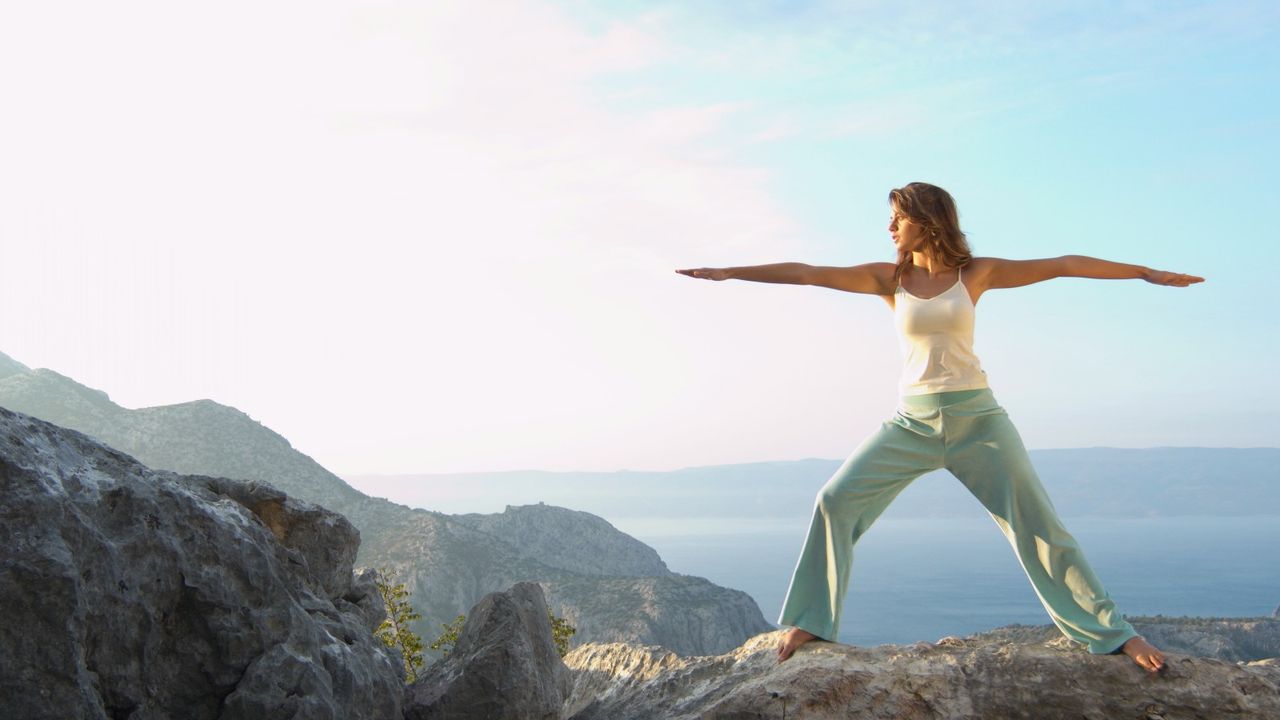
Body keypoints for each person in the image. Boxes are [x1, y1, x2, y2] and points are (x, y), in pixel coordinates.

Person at [676, 182, 1203, 673]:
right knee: (835, 500)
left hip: (980, 423)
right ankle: (811, 622)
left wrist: (1144, 272)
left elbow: (1063, 264)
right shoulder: (891, 279)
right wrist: (729, 272)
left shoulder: (977, 273)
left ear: (927, 222)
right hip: (912, 423)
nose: (890, 228)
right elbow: (808, 271)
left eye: (897, 219)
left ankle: (1113, 633)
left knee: (1040, 528)